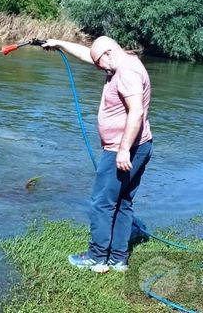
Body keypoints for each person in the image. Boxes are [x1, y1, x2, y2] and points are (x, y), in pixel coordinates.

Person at [42, 36, 153, 273]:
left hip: (124, 149)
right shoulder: (121, 60)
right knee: (123, 202)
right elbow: (88, 53)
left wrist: (123, 150)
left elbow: (136, 112)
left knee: (102, 203)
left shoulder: (126, 72)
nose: (99, 68)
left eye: (100, 63)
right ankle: (118, 259)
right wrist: (58, 43)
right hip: (141, 144)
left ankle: (97, 257)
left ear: (109, 53)